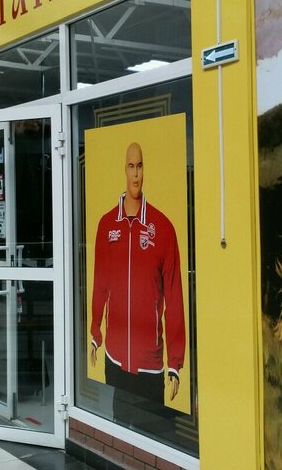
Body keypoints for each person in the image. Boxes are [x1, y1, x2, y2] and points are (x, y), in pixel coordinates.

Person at [89, 142, 185, 426]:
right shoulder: (107, 225)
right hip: (115, 359)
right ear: (124, 169)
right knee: (120, 429)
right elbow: (100, 284)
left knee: (153, 432)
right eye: (131, 166)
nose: (135, 173)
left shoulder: (163, 228)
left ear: (145, 170)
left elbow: (174, 297)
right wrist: (95, 333)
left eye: (140, 166)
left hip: (150, 365)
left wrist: (175, 363)